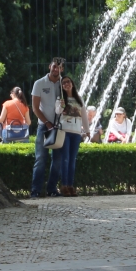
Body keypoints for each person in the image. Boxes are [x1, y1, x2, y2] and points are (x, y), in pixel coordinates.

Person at [30, 58, 64, 198]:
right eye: (54, 66)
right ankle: (35, 191)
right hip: (44, 126)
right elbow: (35, 108)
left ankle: (51, 190)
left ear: (62, 69)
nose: (56, 69)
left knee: (57, 160)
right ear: (50, 66)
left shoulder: (65, 83)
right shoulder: (39, 83)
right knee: (40, 159)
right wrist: (47, 122)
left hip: (60, 127)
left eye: (59, 67)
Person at [56, 77, 90, 197]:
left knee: (72, 160)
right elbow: (57, 112)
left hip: (76, 133)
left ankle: (70, 185)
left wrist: (87, 130)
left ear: (72, 83)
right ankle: (64, 185)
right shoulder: (60, 98)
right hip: (64, 131)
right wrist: (61, 106)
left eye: (68, 82)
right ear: (62, 86)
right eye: (63, 83)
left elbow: (84, 116)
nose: (66, 84)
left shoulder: (78, 99)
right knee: (65, 159)